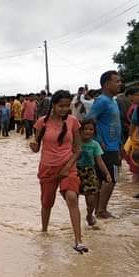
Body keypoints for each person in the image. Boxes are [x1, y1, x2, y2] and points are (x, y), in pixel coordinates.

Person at [29, 90, 86, 253]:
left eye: (67, 106)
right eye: (61, 106)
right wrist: (33, 146)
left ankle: (78, 240)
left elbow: (78, 148)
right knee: (47, 203)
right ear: (53, 105)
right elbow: (36, 146)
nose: (64, 109)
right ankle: (44, 231)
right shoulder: (42, 122)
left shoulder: (73, 122)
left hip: (68, 166)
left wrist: (68, 166)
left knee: (72, 197)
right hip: (48, 167)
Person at [87, 70, 123, 219]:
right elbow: (89, 120)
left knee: (102, 180)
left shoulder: (113, 100)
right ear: (107, 84)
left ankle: (98, 210)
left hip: (113, 146)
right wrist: (98, 140)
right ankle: (101, 210)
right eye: (117, 81)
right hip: (107, 148)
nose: (120, 83)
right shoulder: (102, 101)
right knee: (111, 179)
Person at [77, 119, 111, 226]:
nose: (88, 131)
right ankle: (75, 218)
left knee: (91, 199)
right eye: (85, 129)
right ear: (80, 130)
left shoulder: (95, 145)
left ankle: (89, 214)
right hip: (75, 172)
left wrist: (107, 173)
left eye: (91, 129)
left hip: (89, 173)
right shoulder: (75, 143)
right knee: (74, 196)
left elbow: (99, 161)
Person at [122, 86, 139, 184]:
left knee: (136, 167)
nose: (132, 102)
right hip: (137, 138)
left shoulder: (138, 107)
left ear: (137, 95)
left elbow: (133, 123)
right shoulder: (138, 106)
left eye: (132, 100)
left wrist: (131, 136)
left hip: (137, 139)